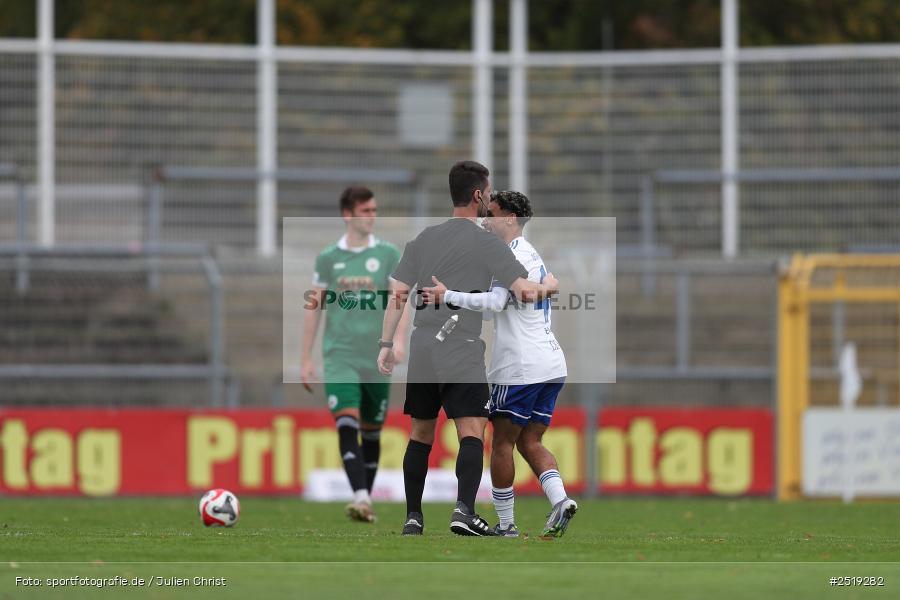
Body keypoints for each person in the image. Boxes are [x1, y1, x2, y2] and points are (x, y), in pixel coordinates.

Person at [377, 161, 558, 537]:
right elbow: (523, 291)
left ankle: (413, 518)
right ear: (478, 195)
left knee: (420, 434)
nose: (490, 200)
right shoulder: (486, 243)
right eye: (489, 193)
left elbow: (397, 292)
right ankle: (464, 512)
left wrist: (386, 343)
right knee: (472, 433)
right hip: (459, 344)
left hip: (424, 343)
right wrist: (550, 287)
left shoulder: (424, 238)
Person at [421, 190, 577, 538]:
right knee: (530, 442)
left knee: (502, 443)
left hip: (520, 365)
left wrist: (448, 296)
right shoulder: (531, 254)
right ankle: (561, 500)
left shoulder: (509, 255)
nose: (484, 220)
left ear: (510, 217)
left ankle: (506, 525)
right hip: (551, 363)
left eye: (490, 214)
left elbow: (494, 302)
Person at [301, 185, 409, 523]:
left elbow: (401, 300)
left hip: (376, 355)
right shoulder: (329, 257)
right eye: (365, 211)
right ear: (348, 215)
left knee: (372, 430)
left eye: (375, 210)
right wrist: (306, 358)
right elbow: (314, 307)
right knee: (346, 422)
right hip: (340, 354)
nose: (372, 217)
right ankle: (361, 496)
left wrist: (398, 341)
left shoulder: (389, 254)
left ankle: (364, 499)